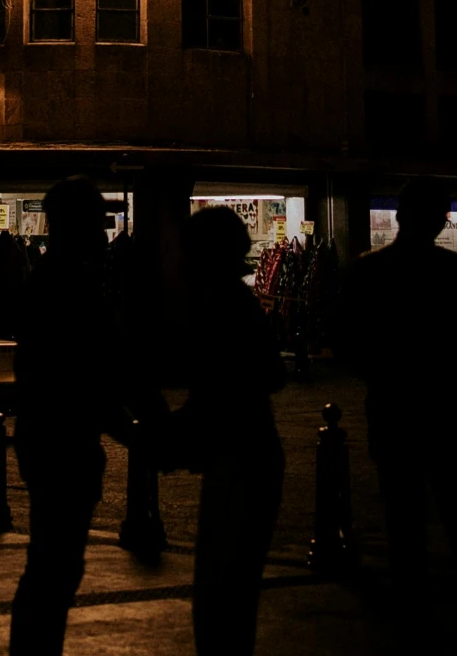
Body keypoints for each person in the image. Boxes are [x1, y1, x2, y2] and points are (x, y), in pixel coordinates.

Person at [9, 177, 137, 656]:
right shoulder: (66, 285)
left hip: (53, 439)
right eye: (96, 222)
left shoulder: (59, 278)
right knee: (53, 568)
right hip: (60, 443)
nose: (104, 235)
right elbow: (82, 375)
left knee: (54, 567)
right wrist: (135, 430)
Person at [345, 175, 457, 600]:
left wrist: (384, 374)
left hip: (393, 408)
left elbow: (351, 343)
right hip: (445, 410)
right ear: (440, 222)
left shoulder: (368, 272)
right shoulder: (456, 274)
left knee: (403, 513)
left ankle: (411, 595)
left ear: (401, 216)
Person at [177, 205, 285, 656]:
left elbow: (227, 387)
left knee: (222, 588)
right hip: (244, 453)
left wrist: (174, 434)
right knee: (229, 590)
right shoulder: (229, 302)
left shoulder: (222, 305)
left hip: (241, 459)